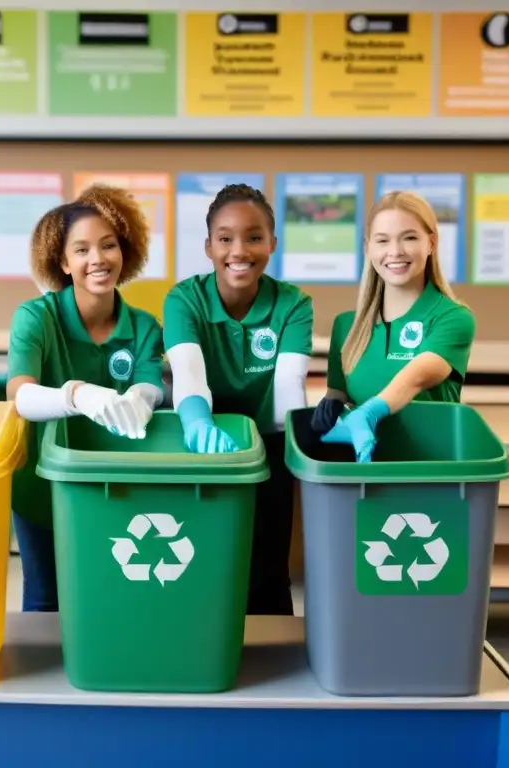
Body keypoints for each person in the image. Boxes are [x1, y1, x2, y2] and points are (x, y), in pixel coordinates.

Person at [7, 184, 166, 612]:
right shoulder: (36, 318)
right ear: (62, 262)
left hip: (114, 489)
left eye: (108, 245)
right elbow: (19, 395)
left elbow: (152, 382)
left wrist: (139, 397)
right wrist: (76, 395)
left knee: (110, 593)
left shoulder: (144, 325)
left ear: (124, 250)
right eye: (81, 250)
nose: (97, 259)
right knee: (45, 598)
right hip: (42, 488)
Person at [163, 183, 313, 616]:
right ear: (208, 246)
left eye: (253, 237)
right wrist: (196, 422)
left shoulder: (293, 303)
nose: (239, 250)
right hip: (202, 450)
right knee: (203, 561)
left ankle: (274, 668)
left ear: (272, 243)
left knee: (269, 571)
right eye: (225, 238)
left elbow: (288, 386)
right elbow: (189, 376)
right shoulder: (184, 299)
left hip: (271, 449)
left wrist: (300, 444)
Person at [315, 190, 476, 462]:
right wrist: (332, 404)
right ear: (368, 247)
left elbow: (421, 374)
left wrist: (370, 412)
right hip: (362, 476)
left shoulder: (452, 317)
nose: (395, 252)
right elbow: (339, 394)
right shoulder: (346, 327)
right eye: (382, 240)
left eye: (410, 238)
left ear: (431, 243)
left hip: (433, 476)